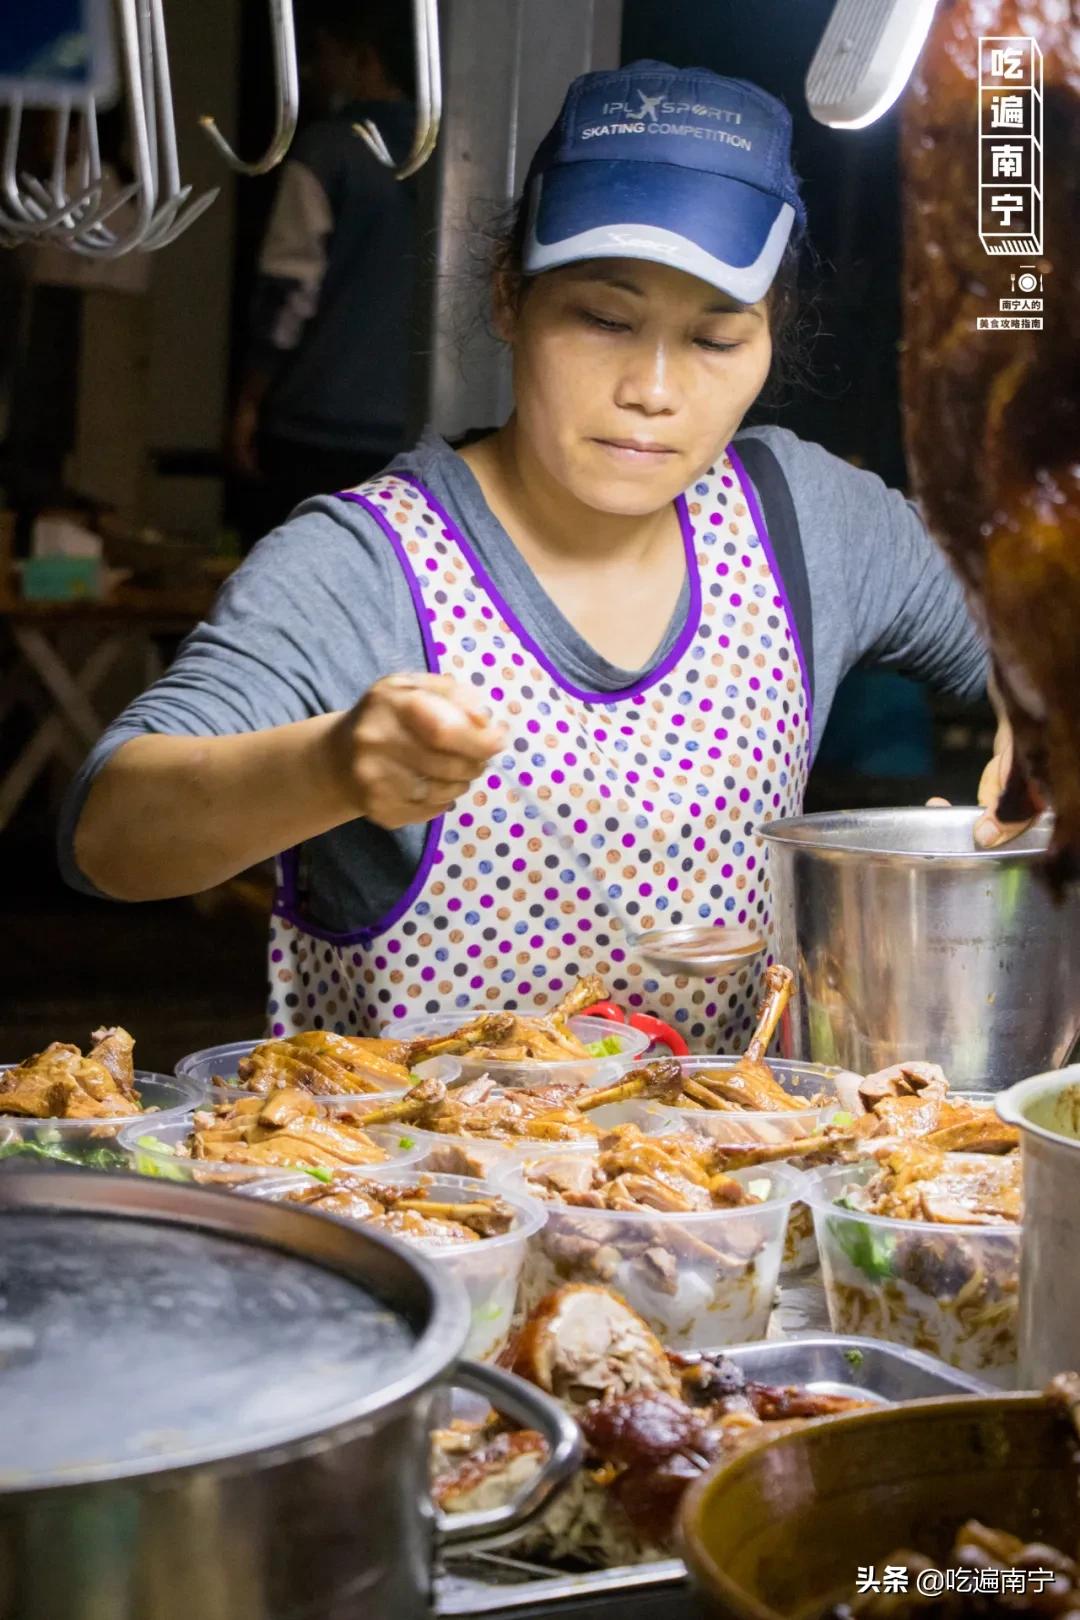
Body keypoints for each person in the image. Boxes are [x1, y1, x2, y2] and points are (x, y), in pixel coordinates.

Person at [64, 61, 1023, 1051]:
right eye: (604, 319)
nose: (652, 389)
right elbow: (109, 835)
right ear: (508, 300)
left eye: (715, 338)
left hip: (734, 1193)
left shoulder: (808, 521)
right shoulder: (365, 563)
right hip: (411, 1191)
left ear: (772, 340)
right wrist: (329, 766)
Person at [230, 0, 418, 536]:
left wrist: (249, 401)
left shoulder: (328, 149)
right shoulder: (452, 150)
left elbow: (289, 290)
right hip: (415, 426)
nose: (315, 70)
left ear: (365, 59)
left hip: (318, 424)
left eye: (325, 54)